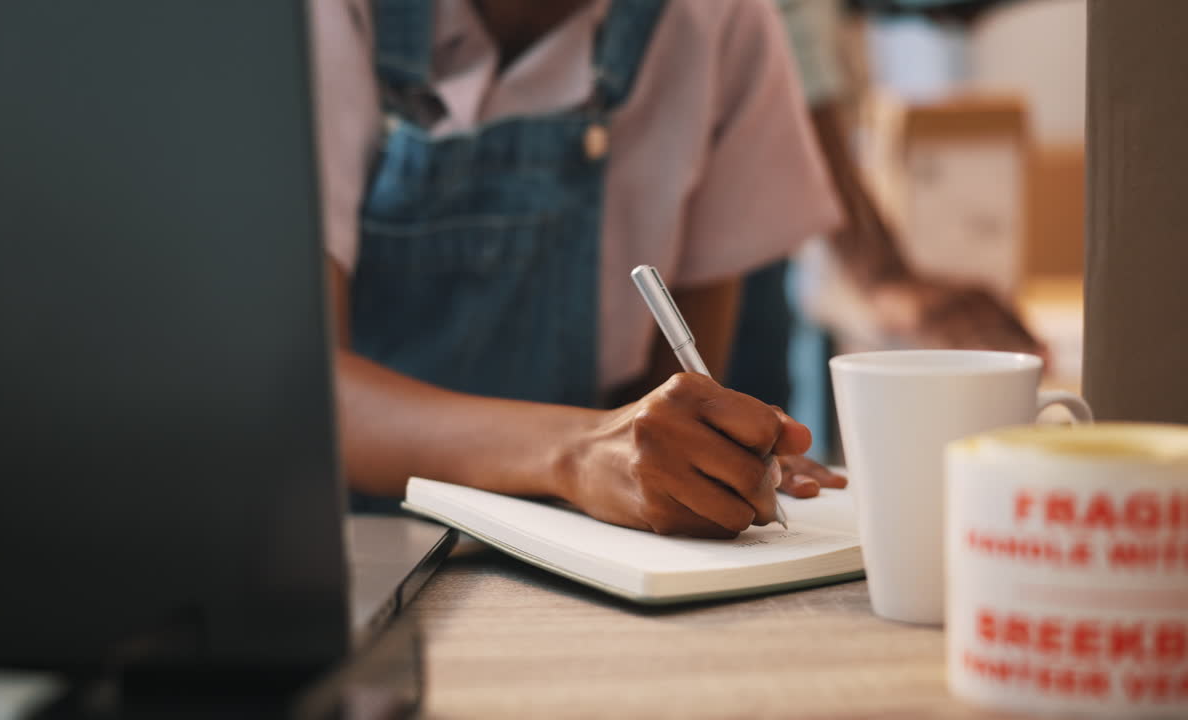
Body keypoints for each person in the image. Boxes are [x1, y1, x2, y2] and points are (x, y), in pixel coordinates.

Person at [309, 0, 846, 538]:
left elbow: (677, 390)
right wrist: (578, 452)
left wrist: (703, 462)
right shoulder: (318, 19)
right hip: (353, 545)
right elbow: (299, 391)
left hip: (573, 549)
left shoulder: (721, 21)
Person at [729, 0, 1045, 479]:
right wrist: (882, 272)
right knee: (718, 439)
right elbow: (786, 60)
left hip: (749, 238)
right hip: (706, 242)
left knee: (757, 456)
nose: (971, 22)